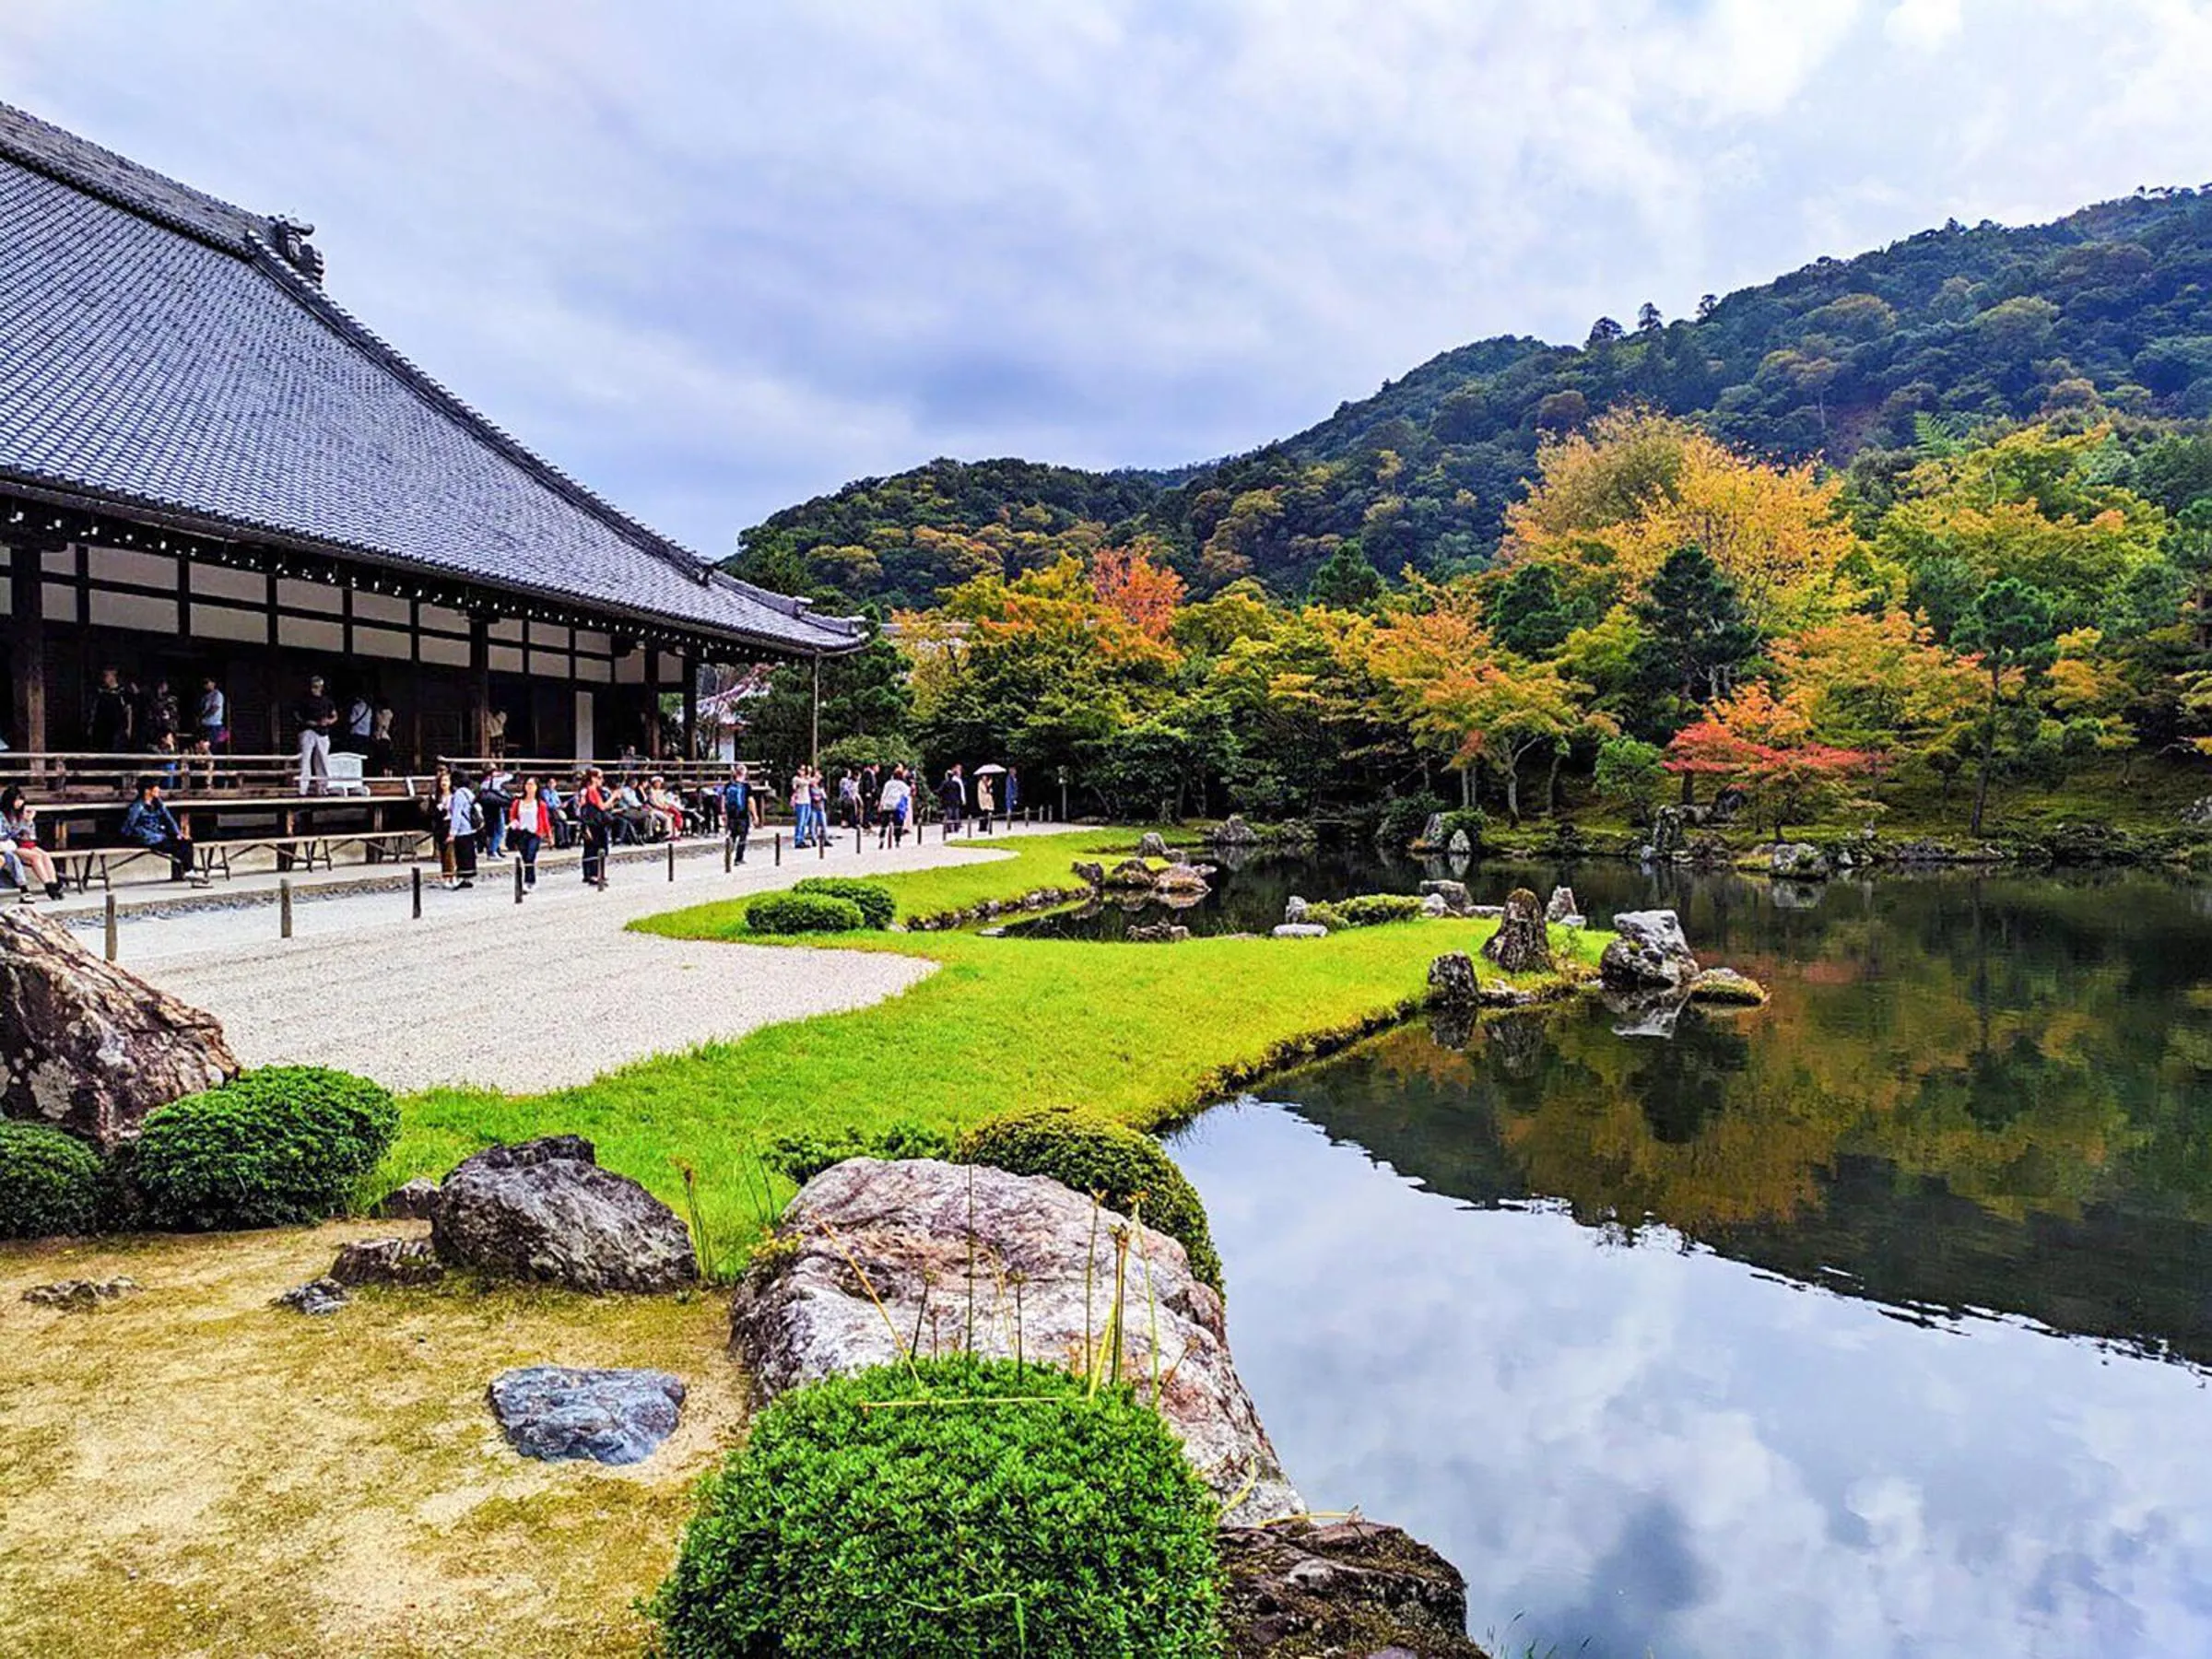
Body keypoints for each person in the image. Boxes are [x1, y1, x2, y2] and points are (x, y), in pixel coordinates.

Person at [120, 776, 200, 883]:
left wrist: (177, 833)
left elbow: (168, 819)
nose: (158, 790)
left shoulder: (158, 803)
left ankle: (189, 870)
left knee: (186, 842)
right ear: (147, 790)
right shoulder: (137, 806)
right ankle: (189, 870)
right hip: (146, 837)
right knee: (177, 847)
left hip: (159, 835)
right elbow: (129, 825)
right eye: (156, 787)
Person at [0, 787, 65, 900]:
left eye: (21, 799)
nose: (20, 803)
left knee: (45, 855)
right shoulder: (2, 815)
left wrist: (29, 821)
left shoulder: (20, 814)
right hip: (9, 845)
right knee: (35, 857)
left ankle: (54, 883)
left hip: (25, 843)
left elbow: (31, 835)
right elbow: (7, 834)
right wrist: (23, 824)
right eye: (17, 799)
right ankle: (47, 884)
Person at [294, 675, 337, 794]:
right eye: (314, 686)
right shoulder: (304, 700)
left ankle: (322, 787)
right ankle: (303, 788)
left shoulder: (327, 701)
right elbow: (297, 714)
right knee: (305, 759)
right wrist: (306, 722)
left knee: (323, 759)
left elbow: (334, 715)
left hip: (323, 732)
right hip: (308, 730)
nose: (315, 689)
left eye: (318, 687)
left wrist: (328, 721)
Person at [509, 776, 553, 889]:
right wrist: (514, 822)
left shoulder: (540, 804)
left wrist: (549, 836)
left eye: (532, 785)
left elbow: (545, 820)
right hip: (522, 832)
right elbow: (513, 816)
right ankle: (527, 879)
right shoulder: (518, 802)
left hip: (535, 833)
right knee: (525, 857)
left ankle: (530, 881)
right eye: (527, 784)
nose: (529, 787)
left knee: (530, 856)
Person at [577, 766, 612, 888]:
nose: (601, 780)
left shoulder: (584, 790)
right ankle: (595, 874)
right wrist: (614, 796)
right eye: (599, 777)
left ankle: (588, 873)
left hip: (587, 822)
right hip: (595, 823)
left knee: (589, 848)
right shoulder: (592, 790)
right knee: (598, 847)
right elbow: (602, 806)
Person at [446, 768, 479, 889]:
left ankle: (461, 877)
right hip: (470, 826)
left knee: (461, 854)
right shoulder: (469, 792)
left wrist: (452, 831)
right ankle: (467, 877)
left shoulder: (459, 794)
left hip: (462, 828)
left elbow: (457, 814)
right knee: (468, 853)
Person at [88, 666, 132, 752]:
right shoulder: (101, 692)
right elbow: (95, 710)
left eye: (107, 676)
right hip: (103, 728)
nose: (105, 679)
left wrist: (129, 728)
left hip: (118, 727)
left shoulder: (123, 692)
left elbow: (128, 710)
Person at [428, 763, 455, 882]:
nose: (444, 783)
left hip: (451, 823)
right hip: (441, 825)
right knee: (444, 852)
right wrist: (439, 809)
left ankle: (452, 875)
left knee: (451, 851)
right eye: (442, 780)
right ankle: (446, 876)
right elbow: (431, 812)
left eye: (446, 780)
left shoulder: (454, 796)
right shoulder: (436, 797)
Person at [721, 764, 754, 864]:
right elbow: (750, 801)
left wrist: (723, 812)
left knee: (733, 834)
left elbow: (723, 799)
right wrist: (754, 815)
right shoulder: (746, 786)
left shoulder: (728, 785)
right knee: (743, 836)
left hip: (731, 814)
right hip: (743, 814)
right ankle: (738, 858)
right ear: (744, 773)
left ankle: (729, 850)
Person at [877, 764, 912, 848]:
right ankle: (897, 841)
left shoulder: (888, 783)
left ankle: (882, 838)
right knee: (898, 824)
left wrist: (881, 805)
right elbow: (907, 794)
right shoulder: (902, 785)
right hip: (896, 805)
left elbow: (884, 794)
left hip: (887, 805)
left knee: (884, 823)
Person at [370, 698, 397, 776]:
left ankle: (384, 774)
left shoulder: (379, 713)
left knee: (382, 759)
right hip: (387, 737)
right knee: (388, 759)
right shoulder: (390, 713)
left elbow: (379, 725)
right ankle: (390, 775)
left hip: (380, 737)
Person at [342, 691, 374, 758]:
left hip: (356, 733)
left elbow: (352, 720)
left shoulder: (356, 707)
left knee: (354, 755)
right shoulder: (369, 709)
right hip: (366, 734)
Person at [938, 764, 967, 836]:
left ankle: (949, 828)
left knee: (949, 814)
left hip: (948, 801)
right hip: (956, 801)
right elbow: (960, 792)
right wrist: (961, 800)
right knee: (956, 814)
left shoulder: (945, 783)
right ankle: (957, 827)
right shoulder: (956, 783)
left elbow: (940, 791)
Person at [975, 770, 995, 834]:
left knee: (988, 814)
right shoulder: (980, 783)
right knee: (983, 814)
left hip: (988, 801)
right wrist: (989, 784)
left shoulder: (987, 783)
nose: (985, 778)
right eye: (983, 776)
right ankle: (982, 827)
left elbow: (990, 791)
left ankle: (987, 826)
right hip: (983, 801)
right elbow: (985, 790)